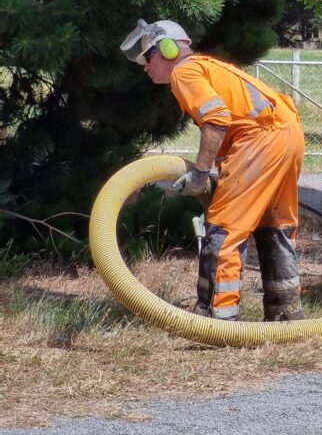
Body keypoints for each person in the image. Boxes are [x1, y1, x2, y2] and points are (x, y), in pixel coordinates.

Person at [120, 19, 305, 321]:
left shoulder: (185, 71)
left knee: (224, 227)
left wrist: (200, 173)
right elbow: (236, 117)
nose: (144, 66)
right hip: (287, 134)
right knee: (276, 225)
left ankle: (217, 320)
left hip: (260, 140)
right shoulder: (209, 67)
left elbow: (217, 118)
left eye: (147, 57)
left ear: (167, 50)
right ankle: (285, 315)